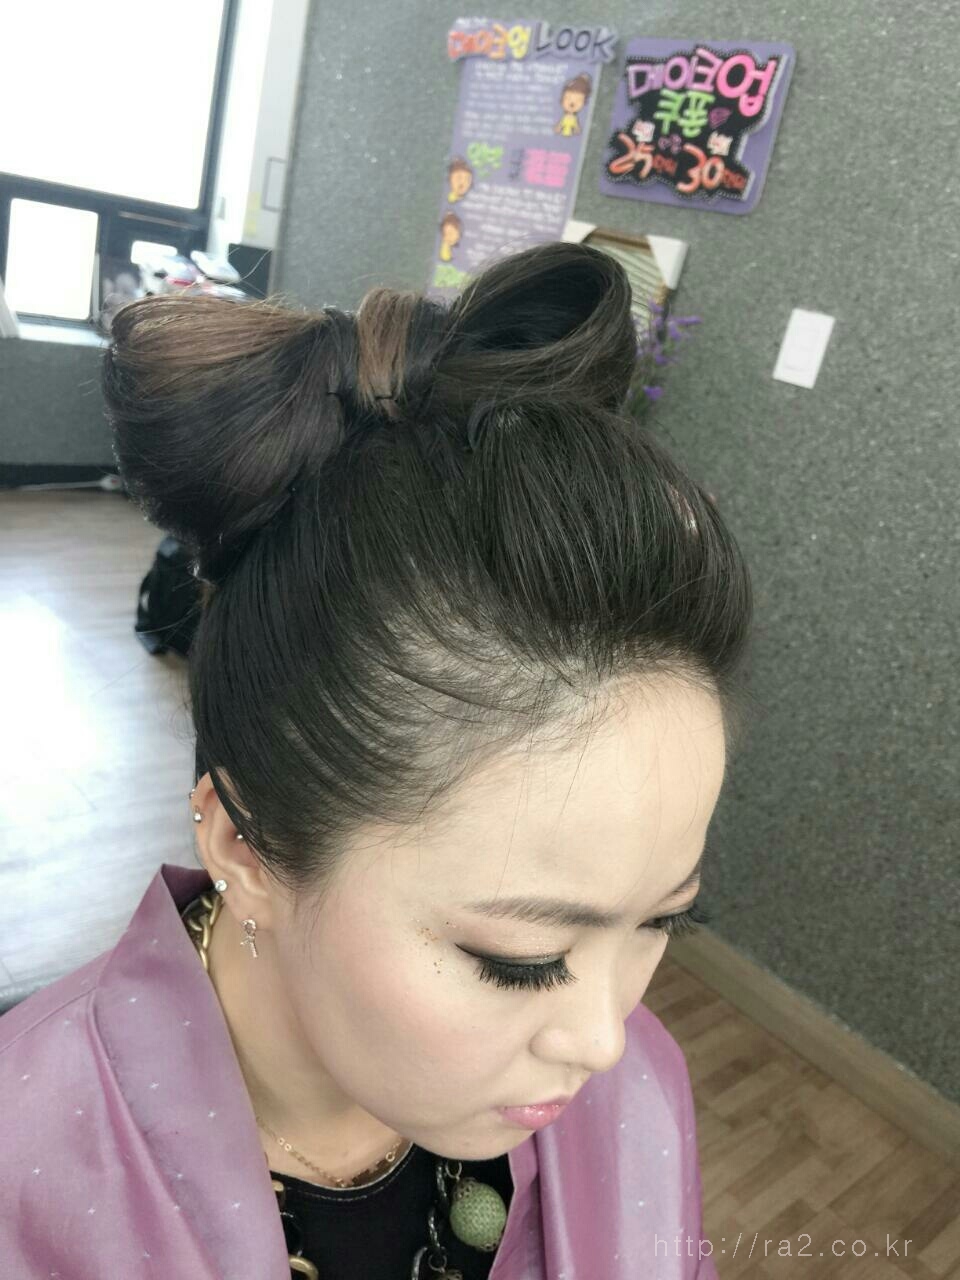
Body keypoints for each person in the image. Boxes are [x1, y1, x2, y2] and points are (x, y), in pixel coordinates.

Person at [0, 241, 752, 1278]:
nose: (604, 1039)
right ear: (246, 847)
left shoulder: (639, 1092)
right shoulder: (27, 1164)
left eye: (661, 920)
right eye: (518, 960)